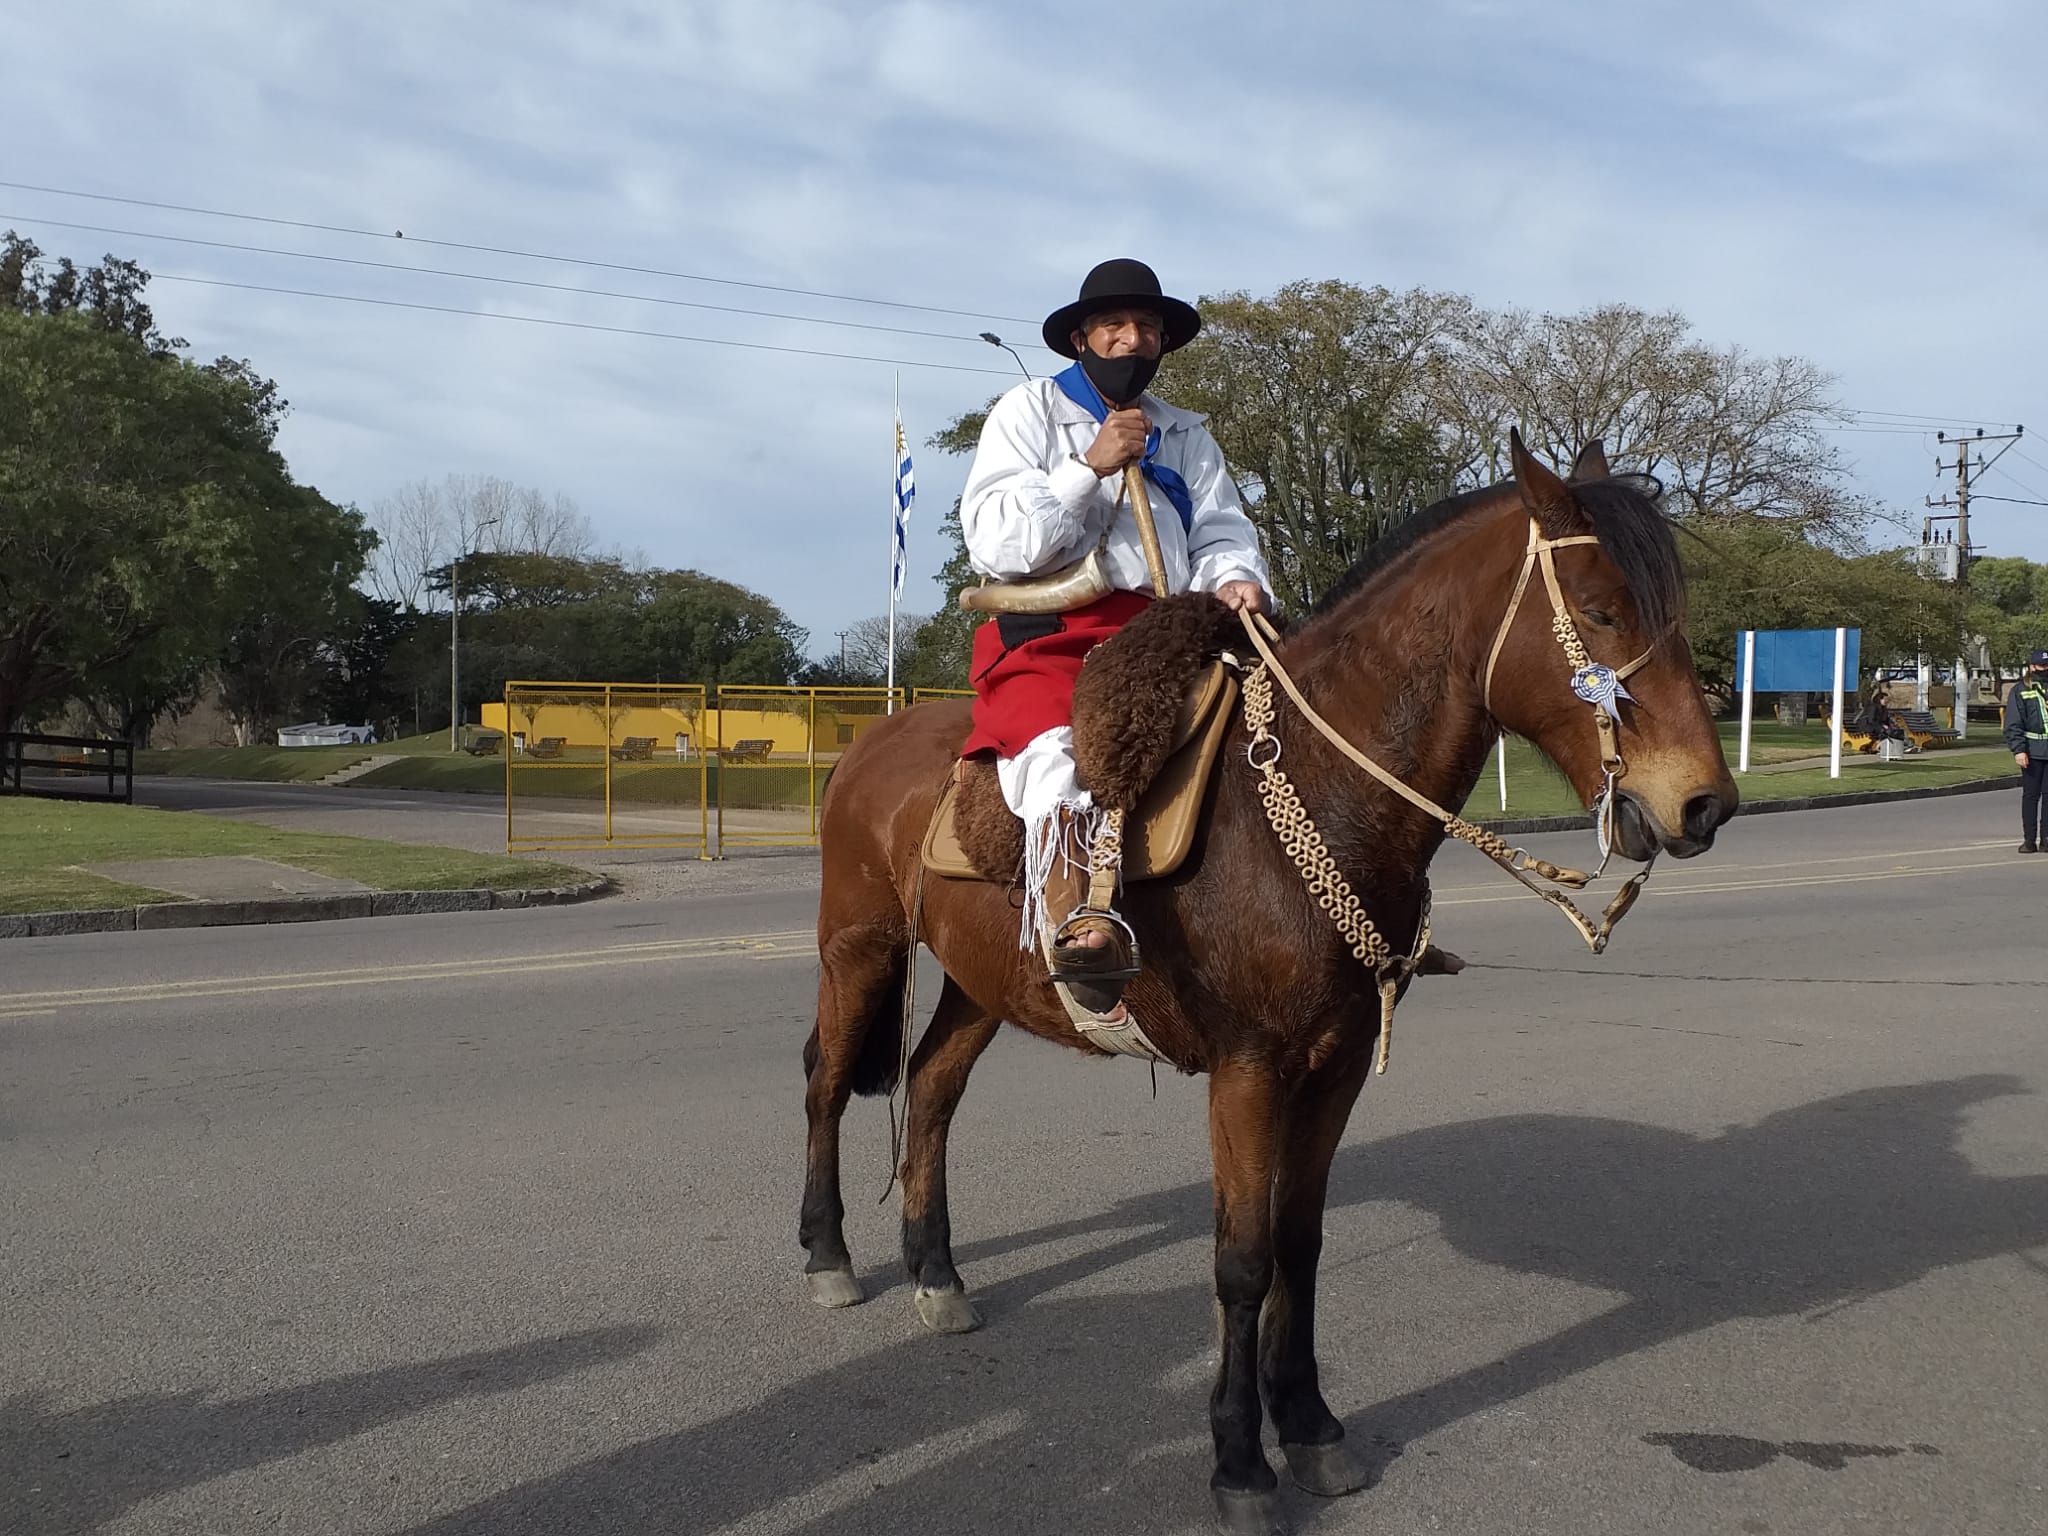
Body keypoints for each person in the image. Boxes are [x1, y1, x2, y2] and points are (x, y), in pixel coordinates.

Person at [957, 259, 1272, 1018]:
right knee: (1053, 748)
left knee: (1284, 719)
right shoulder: (1028, 411)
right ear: (1081, 339)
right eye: (1114, 327)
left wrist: (1235, 577)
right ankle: (1078, 917)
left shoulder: (1185, 432)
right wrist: (1088, 467)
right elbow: (997, 543)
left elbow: (1221, 529)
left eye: (1148, 328)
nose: (1133, 340)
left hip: (1173, 628)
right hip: (1059, 629)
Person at [2002, 649, 2048, 853]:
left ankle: (2046, 839)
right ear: (2032, 666)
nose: (2045, 669)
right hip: (2031, 750)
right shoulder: (2020, 689)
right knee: (2031, 796)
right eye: (2042, 666)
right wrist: (2019, 750)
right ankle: (2029, 840)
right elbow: (2013, 723)